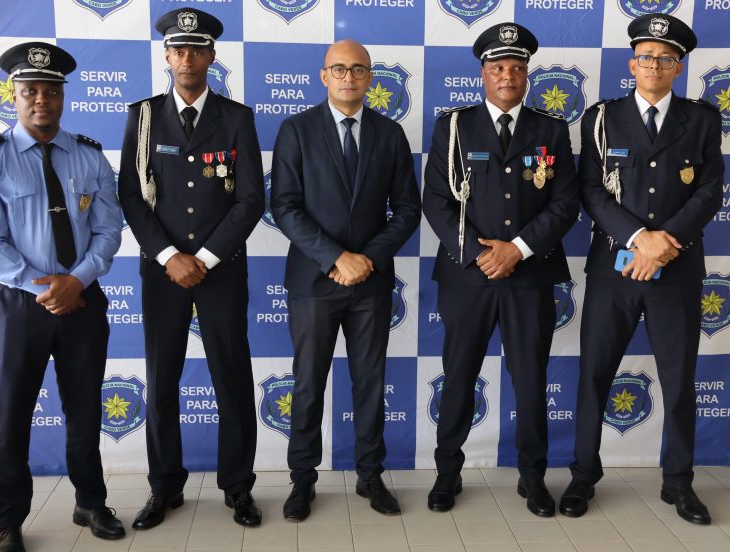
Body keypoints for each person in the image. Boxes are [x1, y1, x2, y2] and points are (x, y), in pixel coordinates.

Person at [560, 14, 723, 525]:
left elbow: (709, 191)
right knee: (594, 375)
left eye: (666, 59)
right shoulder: (601, 118)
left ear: (678, 68)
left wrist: (663, 243)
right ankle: (583, 475)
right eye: (646, 57)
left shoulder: (702, 120)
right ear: (632, 65)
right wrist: (638, 239)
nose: (654, 65)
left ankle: (679, 483)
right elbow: (589, 190)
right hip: (614, 269)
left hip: (677, 269)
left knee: (679, 380)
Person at [423, 23, 579, 517]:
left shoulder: (551, 129)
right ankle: (447, 473)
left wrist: (517, 249)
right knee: (459, 376)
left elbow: (565, 202)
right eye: (497, 67)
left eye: (516, 67)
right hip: (467, 276)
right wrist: (479, 253)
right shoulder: (453, 127)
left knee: (530, 380)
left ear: (527, 74)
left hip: (529, 276)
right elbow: (437, 201)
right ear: (482, 73)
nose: (507, 75)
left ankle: (532, 477)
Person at [118, 8, 265, 529]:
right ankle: (165, 488)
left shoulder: (237, 118)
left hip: (220, 270)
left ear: (211, 56)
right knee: (161, 382)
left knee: (232, 378)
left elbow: (250, 200)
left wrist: (203, 258)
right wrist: (169, 257)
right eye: (178, 50)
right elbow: (131, 195)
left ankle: (238, 488)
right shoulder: (142, 117)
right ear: (166, 56)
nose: (186, 59)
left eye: (196, 50)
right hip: (162, 273)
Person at [270, 39, 421, 521]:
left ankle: (370, 475)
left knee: (370, 383)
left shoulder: (390, 133)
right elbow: (284, 206)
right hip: (313, 281)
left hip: (369, 284)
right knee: (308, 384)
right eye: (339, 69)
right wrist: (335, 257)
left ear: (370, 77)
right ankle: (302, 479)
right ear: (324, 75)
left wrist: (366, 260)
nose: (348, 77)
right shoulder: (296, 129)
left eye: (358, 69)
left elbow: (408, 209)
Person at [0, 42, 125, 551]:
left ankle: (90, 502)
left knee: (85, 409)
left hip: (82, 299)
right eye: (30, 91)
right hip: (19, 305)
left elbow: (109, 229)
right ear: (13, 95)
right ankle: (9, 520)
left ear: (63, 96)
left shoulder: (89, 155)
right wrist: (45, 289)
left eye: (50, 91)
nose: (41, 100)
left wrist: (78, 280)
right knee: (11, 416)